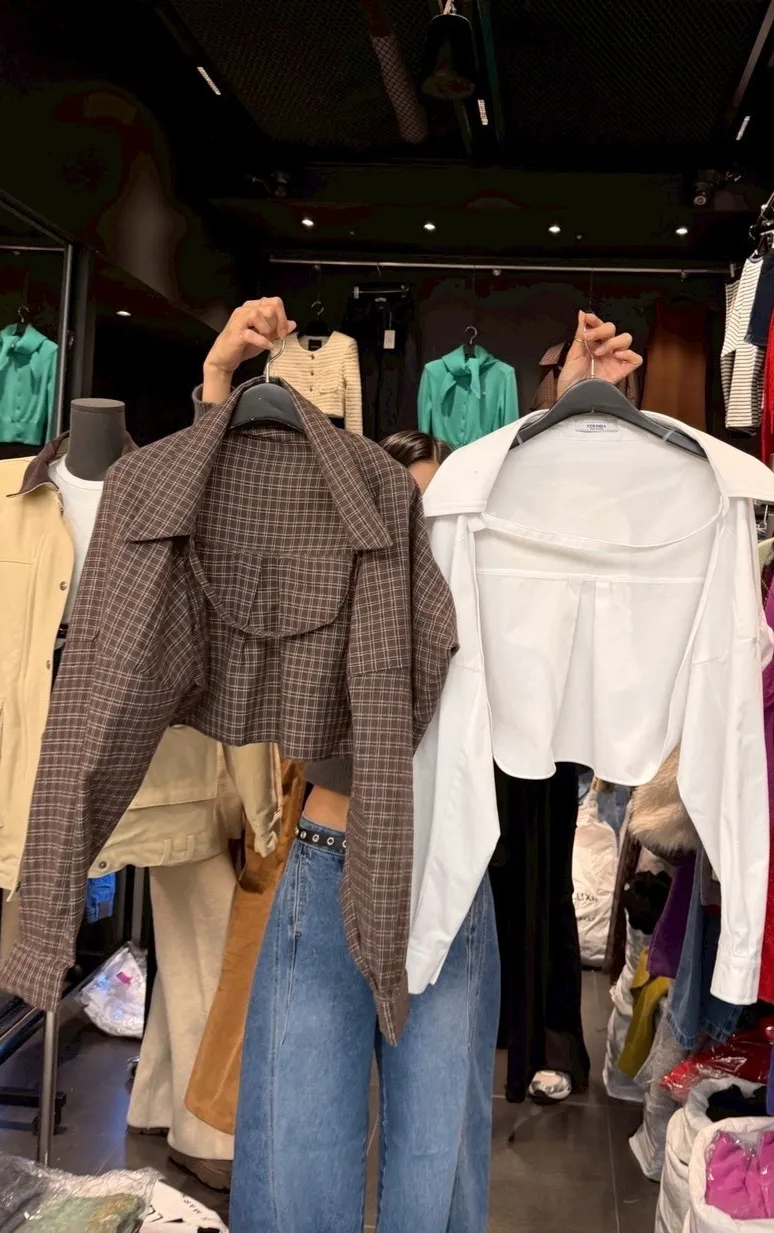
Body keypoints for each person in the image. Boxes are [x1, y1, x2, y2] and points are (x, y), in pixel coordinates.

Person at [201, 298, 642, 1233]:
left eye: (440, 521)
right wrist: (218, 386)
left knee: (435, 1169)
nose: (422, 540)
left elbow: (547, 524)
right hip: (329, 865)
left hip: (449, 872)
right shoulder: (328, 562)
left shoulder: (484, 591)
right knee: (295, 1157)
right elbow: (231, 530)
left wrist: (566, 407)